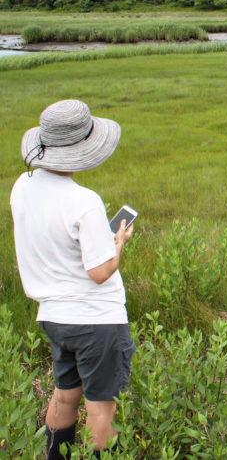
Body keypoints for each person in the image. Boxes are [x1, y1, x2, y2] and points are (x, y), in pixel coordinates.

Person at [10, 99, 136, 459]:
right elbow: (100, 272)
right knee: (101, 408)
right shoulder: (84, 201)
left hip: (53, 316)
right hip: (97, 321)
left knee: (64, 394)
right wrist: (118, 245)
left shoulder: (22, 186)